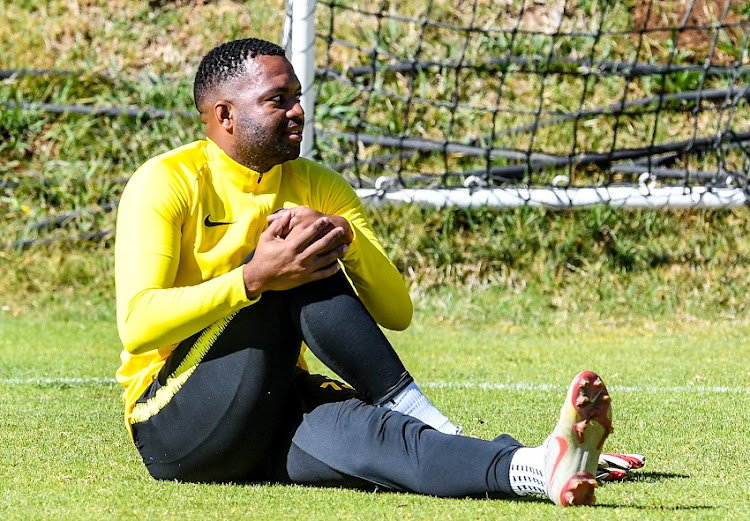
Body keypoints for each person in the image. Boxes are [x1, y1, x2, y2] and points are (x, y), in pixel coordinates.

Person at [114, 37, 616, 506]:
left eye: (297, 95)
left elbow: (396, 312)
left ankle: (535, 464)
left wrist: (345, 237)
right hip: (173, 425)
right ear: (224, 114)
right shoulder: (165, 181)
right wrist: (253, 279)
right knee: (298, 253)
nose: (298, 111)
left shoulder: (319, 185)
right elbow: (138, 326)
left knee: (384, 440)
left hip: (269, 409)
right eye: (277, 99)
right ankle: (427, 416)